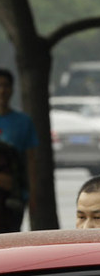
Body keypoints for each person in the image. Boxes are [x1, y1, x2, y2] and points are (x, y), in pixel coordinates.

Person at [0, 68, 38, 233]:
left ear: (12, 89)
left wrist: (33, 194)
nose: (2, 90)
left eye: (6, 85)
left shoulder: (23, 122)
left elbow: (31, 160)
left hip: (13, 198)